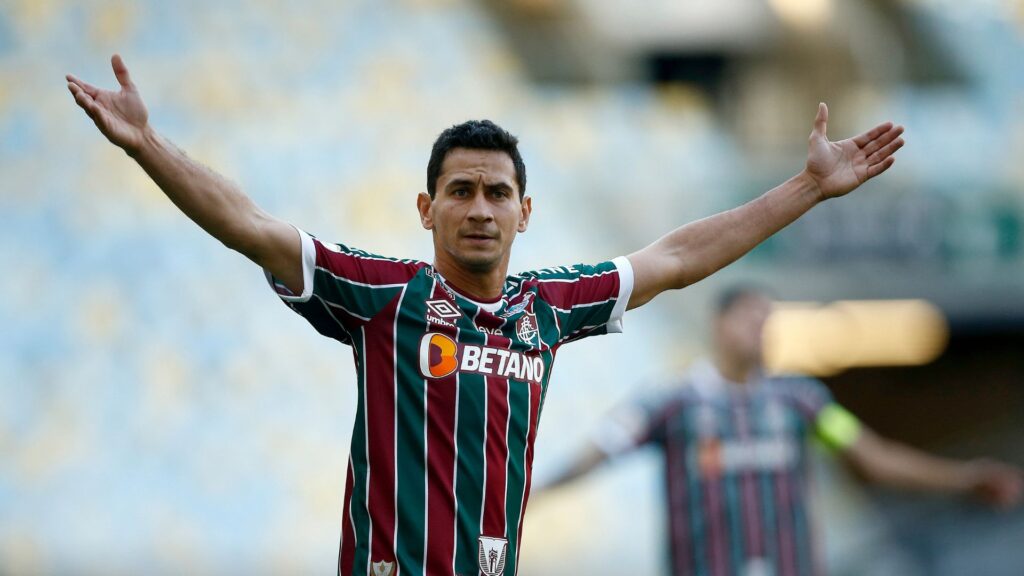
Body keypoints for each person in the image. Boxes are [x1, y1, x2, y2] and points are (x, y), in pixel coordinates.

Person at [66, 54, 905, 576]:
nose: (479, 208)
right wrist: (148, 145)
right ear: (426, 208)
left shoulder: (548, 306)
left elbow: (679, 258)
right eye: (460, 190)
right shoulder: (384, 294)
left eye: (497, 192)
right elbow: (249, 226)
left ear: (523, 212)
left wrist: (807, 188)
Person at [538, 286, 1024, 576]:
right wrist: (525, 498)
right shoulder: (671, 402)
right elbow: (600, 452)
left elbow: (873, 458)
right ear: (719, 324)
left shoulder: (803, 402)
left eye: (768, 320)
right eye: (751, 317)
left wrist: (963, 479)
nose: (762, 328)